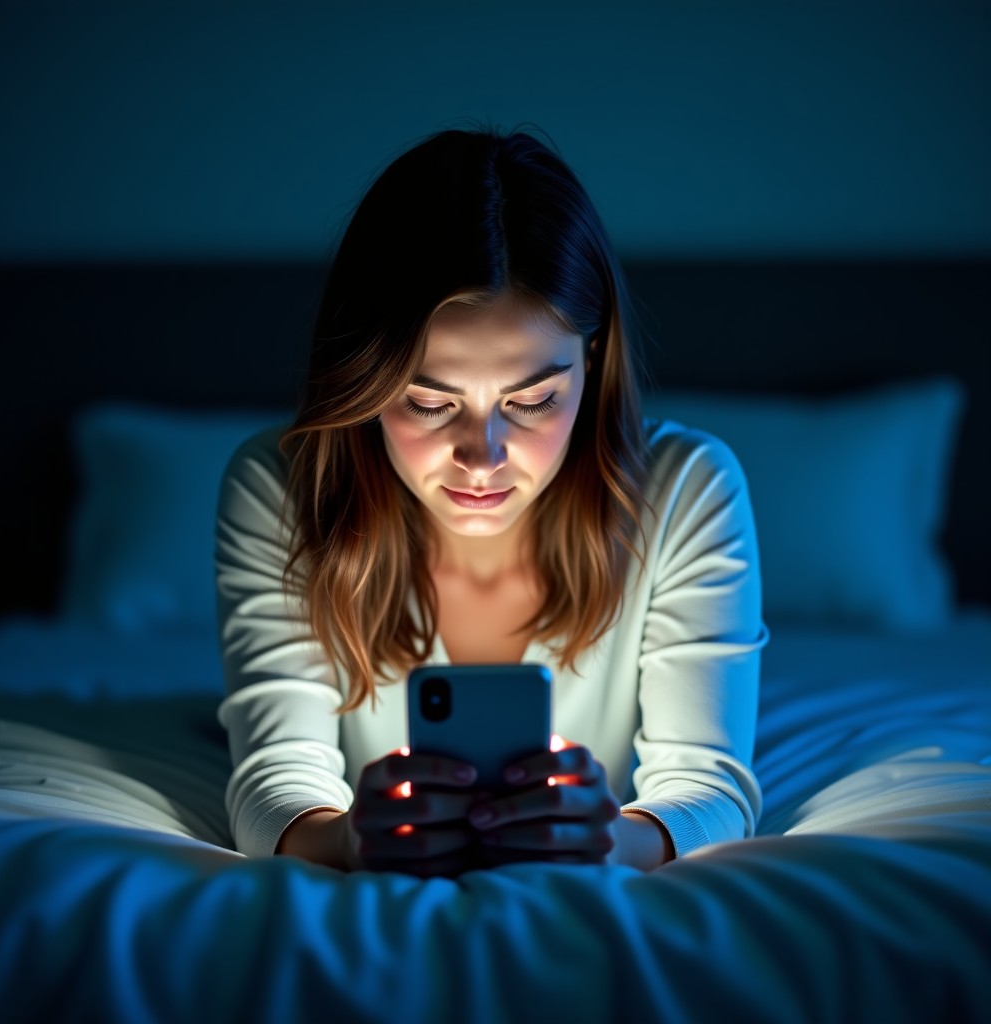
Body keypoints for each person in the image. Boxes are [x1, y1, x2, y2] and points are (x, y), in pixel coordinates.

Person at [215, 124, 768, 877]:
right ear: (365, 381)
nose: (484, 456)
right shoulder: (283, 490)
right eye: (429, 403)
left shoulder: (683, 490)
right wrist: (342, 837)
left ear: (592, 360)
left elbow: (709, 788)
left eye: (534, 399)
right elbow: (274, 784)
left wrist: (617, 837)